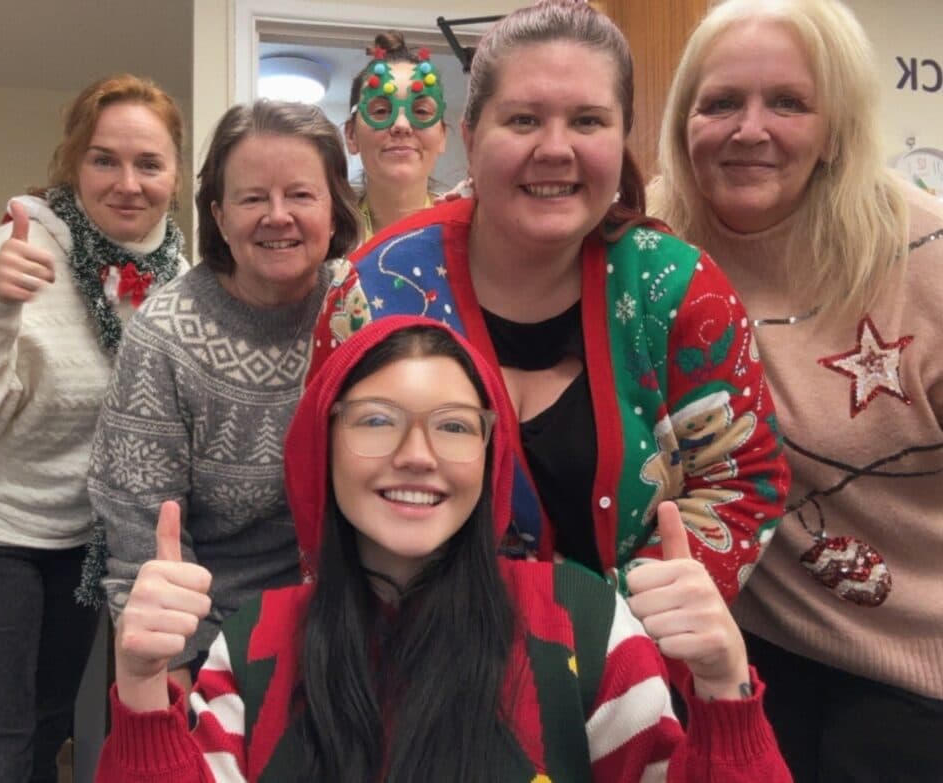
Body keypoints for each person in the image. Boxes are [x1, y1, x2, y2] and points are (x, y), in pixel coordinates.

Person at [94, 315, 791, 782]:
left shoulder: (584, 620)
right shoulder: (254, 642)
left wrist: (725, 686)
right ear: (321, 448)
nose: (417, 456)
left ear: (491, 455)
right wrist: (143, 689)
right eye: (375, 420)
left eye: (454, 427)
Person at [310, 0, 789, 603]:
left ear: (622, 138)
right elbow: (322, 482)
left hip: (631, 666)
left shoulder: (678, 289)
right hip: (410, 659)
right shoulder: (374, 289)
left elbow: (744, 477)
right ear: (470, 135)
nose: (556, 149)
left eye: (588, 121)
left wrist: (615, 633)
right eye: (523, 120)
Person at [649, 0, 943, 779]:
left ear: (836, 125)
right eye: (721, 103)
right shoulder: (650, 244)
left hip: (916, 669)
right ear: (684, 120)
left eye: (788, 102)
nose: (750, 130)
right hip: (746, 647)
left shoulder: (926, 258)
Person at [0, 73, 188, 782]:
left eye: (149, 163)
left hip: (83, 541)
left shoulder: (178, 279)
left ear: (174, 176)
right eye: (104, 159)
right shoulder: (15, 252)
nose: (127, 182)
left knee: (51, 728)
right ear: (74, 164)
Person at [81, 99, 361, 693]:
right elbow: (141, 533)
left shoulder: (361, 306)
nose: (277, 216)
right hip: (215, 637)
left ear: (334, 211)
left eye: (301, 196)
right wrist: (172, 681)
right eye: (253, 198)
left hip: (354, 623)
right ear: (220, 215)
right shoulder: (166, 335)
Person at [345, 30, 447, 241]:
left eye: (421, 112)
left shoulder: (474, 237)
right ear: (351, 136)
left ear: (442, 136)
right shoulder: (327, 240)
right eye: (381, 111)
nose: (401, 125)